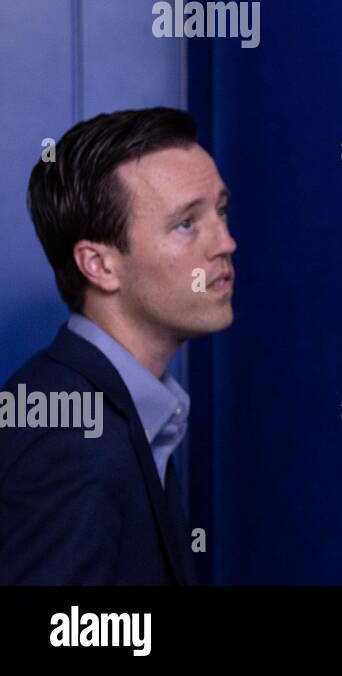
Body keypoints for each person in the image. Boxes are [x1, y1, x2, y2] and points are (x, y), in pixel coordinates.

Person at [0, 107, 235, 584]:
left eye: (221, 211)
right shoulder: (69, 447)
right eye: (186, 223)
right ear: (99, 265)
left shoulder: (116, 411)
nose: (224, 242)